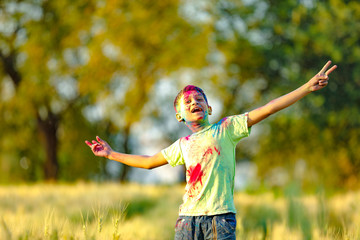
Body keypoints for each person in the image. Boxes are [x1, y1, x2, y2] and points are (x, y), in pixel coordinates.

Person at [85, 61, 337, 239]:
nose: (195, 102)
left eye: (199, 99)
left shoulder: (227, 128)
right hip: (186, 221)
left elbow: (269, 107)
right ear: (179, 115)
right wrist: (111, 154)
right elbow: (149, 161)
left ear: (209, 108)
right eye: (188, 101)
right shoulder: (182, 145)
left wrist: (306, 87)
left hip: (220, 219)